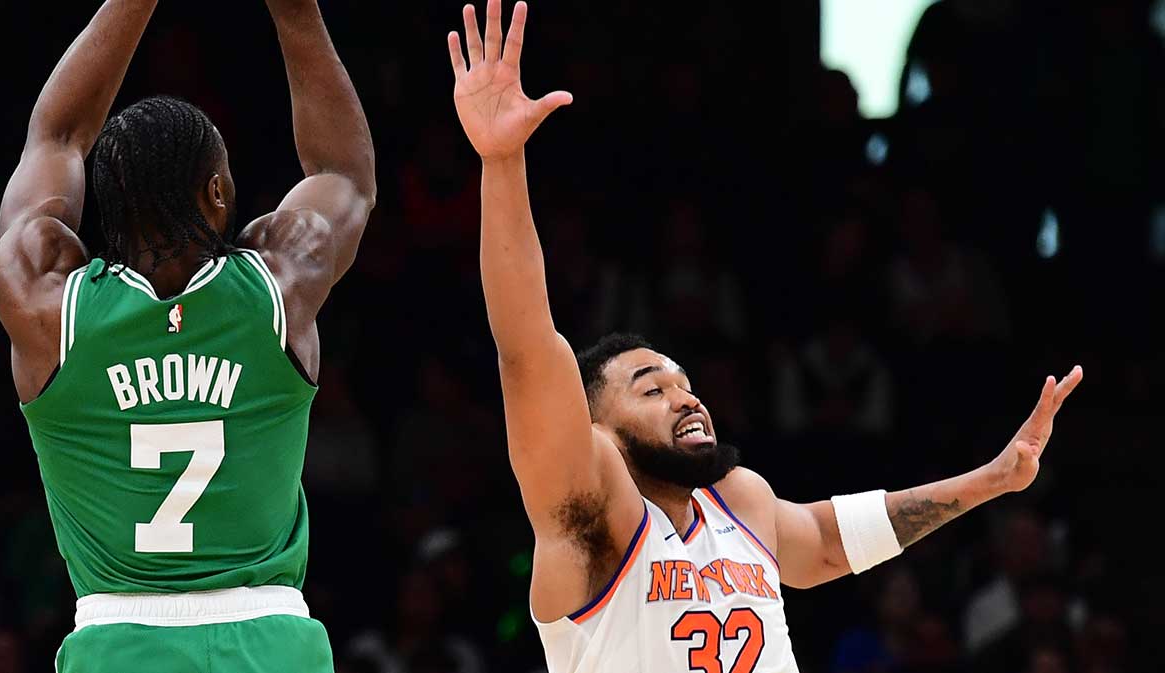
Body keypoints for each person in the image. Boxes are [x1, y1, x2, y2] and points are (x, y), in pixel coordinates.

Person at [444, 1, 1083, 671]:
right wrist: (503, 162)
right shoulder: (594, 514)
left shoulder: (740, 499)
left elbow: (834, 542)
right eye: (651, 387)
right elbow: (526, 346)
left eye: (684, 383)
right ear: (594, 426)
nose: (685, 397)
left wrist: (993, 478)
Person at [0, 0, 375, 670]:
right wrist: (295, 12)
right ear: (219, 190)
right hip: (270, 637)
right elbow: (342, 175)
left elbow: (54, 138)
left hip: (117, 637)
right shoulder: (278, 289)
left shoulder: (48, 307)